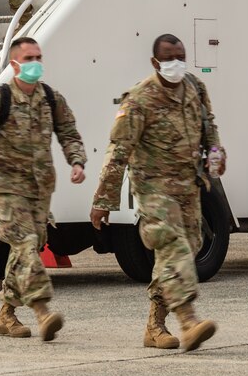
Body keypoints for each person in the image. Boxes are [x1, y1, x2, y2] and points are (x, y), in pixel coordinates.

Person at [90, 34, 225, 352]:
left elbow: (209, 124)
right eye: (168, 58)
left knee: (183, 253)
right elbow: (118, 151)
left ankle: (154, 325)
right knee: (174, 248)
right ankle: (189, 321)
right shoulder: (140, 98)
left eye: (180, 56)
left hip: (189, 188)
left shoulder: (194, 87)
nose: (175, 63)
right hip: (153, 190)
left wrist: (216, 151)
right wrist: (103, 201)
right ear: (155, 62)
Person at [0, 37, 86, 341]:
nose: (36, 63)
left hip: (40, 187)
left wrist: (76, 161)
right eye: (29, 57)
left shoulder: (50, 98)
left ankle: (6, 315)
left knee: (27, 249)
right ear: (15, 64)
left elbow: (69, 132)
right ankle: (42, 310)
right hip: (8, 187)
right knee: (25, 243)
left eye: (39, 57)